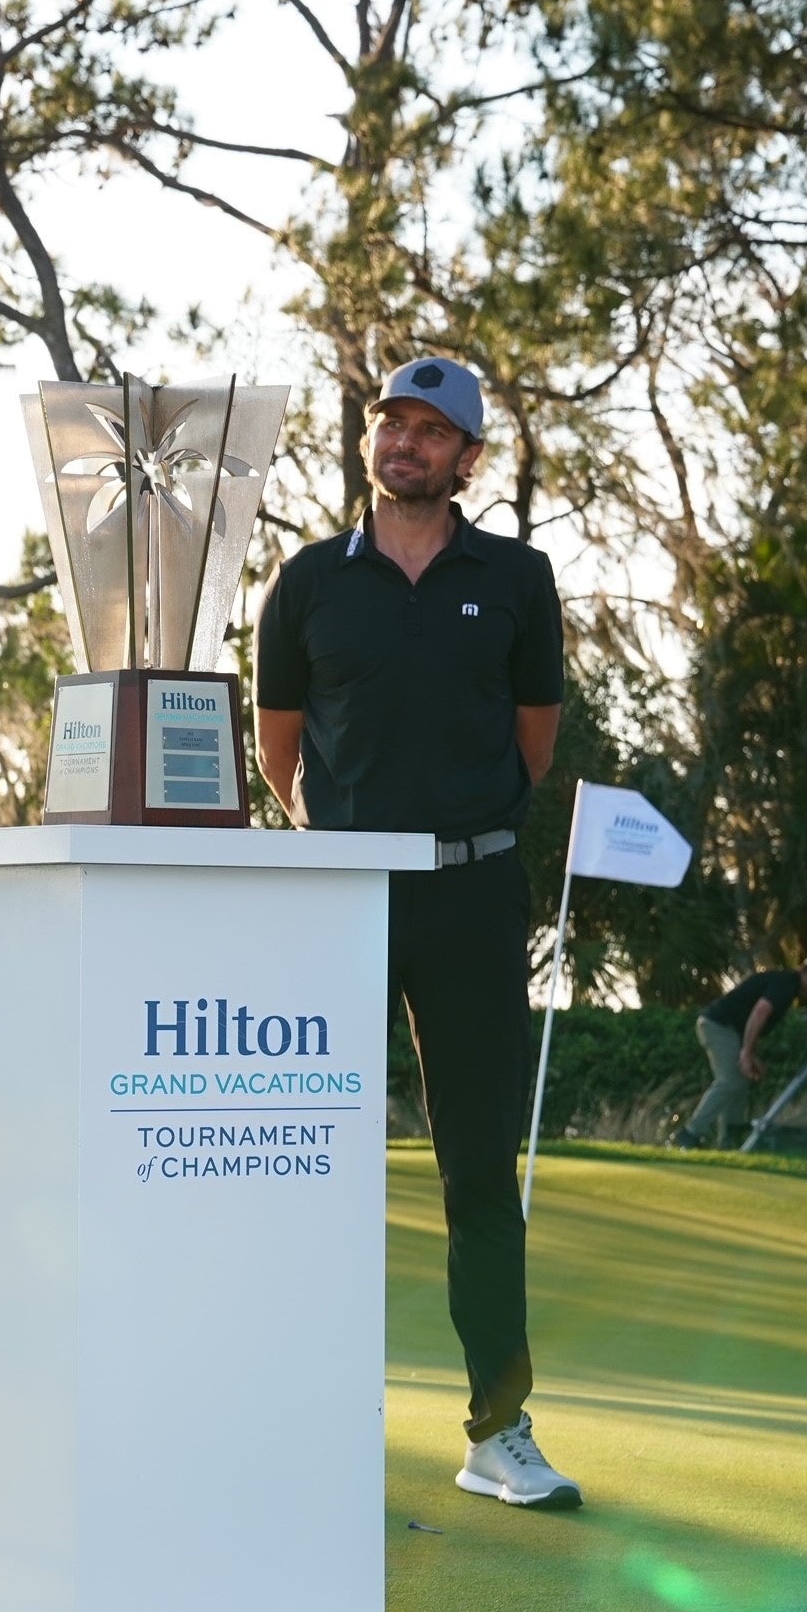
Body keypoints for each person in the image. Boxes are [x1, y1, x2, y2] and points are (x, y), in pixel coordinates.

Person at [254, 355, 581, 1512]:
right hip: (343, 899)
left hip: (473, 897)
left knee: (479, 1169)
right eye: (391, 422)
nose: (405, 441)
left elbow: (534, 742)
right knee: (311, 1161)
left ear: (467, 458)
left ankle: (499, 1431)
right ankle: (305, 1426)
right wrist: (348, 844)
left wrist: (456, 827)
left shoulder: (518, 577)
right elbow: (280, 749)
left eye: (431, 430)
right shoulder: (307, 582)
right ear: (370, 441)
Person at [679, 960, 807, 1148]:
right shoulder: (787, 983)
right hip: (719, 1025)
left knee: (739, 1081)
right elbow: (760, 1012)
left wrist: (750, 1053)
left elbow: (748, 1017)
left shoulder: (786, 984)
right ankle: (691, 1132)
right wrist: (746, 1052)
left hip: (728, 1029)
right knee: (730, 1080)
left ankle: (730, 1139)